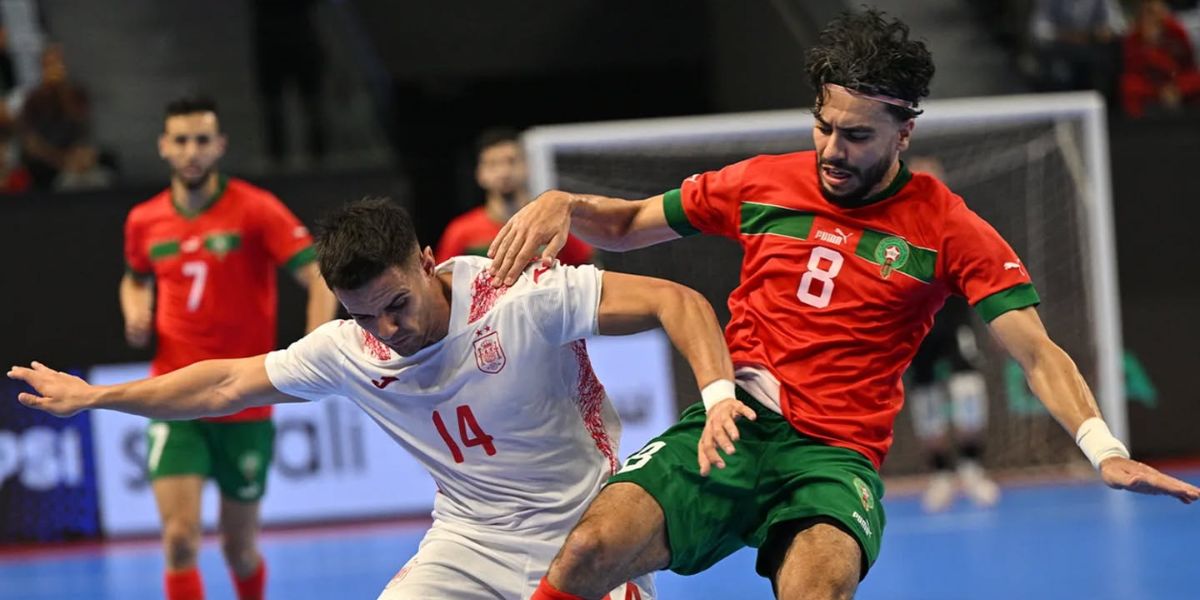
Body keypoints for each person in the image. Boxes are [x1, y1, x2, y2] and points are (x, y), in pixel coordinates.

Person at [487, 9, 1200, 600]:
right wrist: (566, 202)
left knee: (819, 588)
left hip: (833, 460)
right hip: (732, 424)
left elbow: (1038, 353)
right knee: (588, 549)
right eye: (824, 126)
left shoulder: (949, 228)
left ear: (904, 132)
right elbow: (627, 224)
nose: (832, 149)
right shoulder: (763, 182)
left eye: (857, 136)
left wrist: (1103, 449)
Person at [12, 196, 740, 599]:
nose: (387, 330)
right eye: (364, 315)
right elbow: (223, 382)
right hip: (469, 542)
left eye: (396, 304)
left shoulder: (519, 294)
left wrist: (716, 399)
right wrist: (97, 397)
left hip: (583, 534)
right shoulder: (349, 349)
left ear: (426, 262)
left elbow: (675, 300)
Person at [119, 95, 338, 600]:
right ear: (163, 146)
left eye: (201, 140)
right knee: (179, 540)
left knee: (239, 549)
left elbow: (317, 274)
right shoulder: (144, 219)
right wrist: (135, 308)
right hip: (173, 395)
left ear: (219, 145)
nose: (191, 151)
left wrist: (312, 346)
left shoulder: (255, 208)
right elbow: (134, 278)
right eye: (181, 140)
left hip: (243, 397)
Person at [905, 157, 1000, 513]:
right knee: (927, 403)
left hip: (955, 325)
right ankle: (942, 474)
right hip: (917, 330)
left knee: (968, 394)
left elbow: (982, 275)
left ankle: (972, 469)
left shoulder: (958, 223)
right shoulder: (895, 228)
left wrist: (994, 322)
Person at [436, 128, 593, 265]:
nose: (504, 172)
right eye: (493, 164)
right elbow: (443, 281)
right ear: (480, 174)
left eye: (511, 161)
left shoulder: (552, 220)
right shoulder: (460, 232)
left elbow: (589, 270)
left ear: (527, 167)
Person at [1120, 0, 1200, 117]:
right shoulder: (1134, 36)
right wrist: (1149, 47)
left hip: (1175, 81)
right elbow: (1133, 69)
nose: (1154, 18)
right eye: (1150, 13)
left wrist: (1177, 87)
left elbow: (1188, 65)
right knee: (1129, 86)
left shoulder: (1176, 31)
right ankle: (1137, 122)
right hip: (1150, 84)